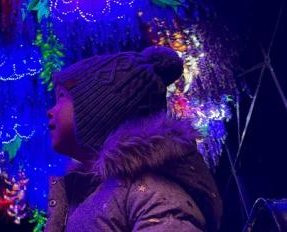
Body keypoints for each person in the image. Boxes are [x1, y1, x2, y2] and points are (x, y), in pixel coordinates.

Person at [45, 46, 223, 232]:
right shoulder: (86, 194)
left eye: (61, 98)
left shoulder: (151, 193)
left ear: (99, 110)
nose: (50, 111)